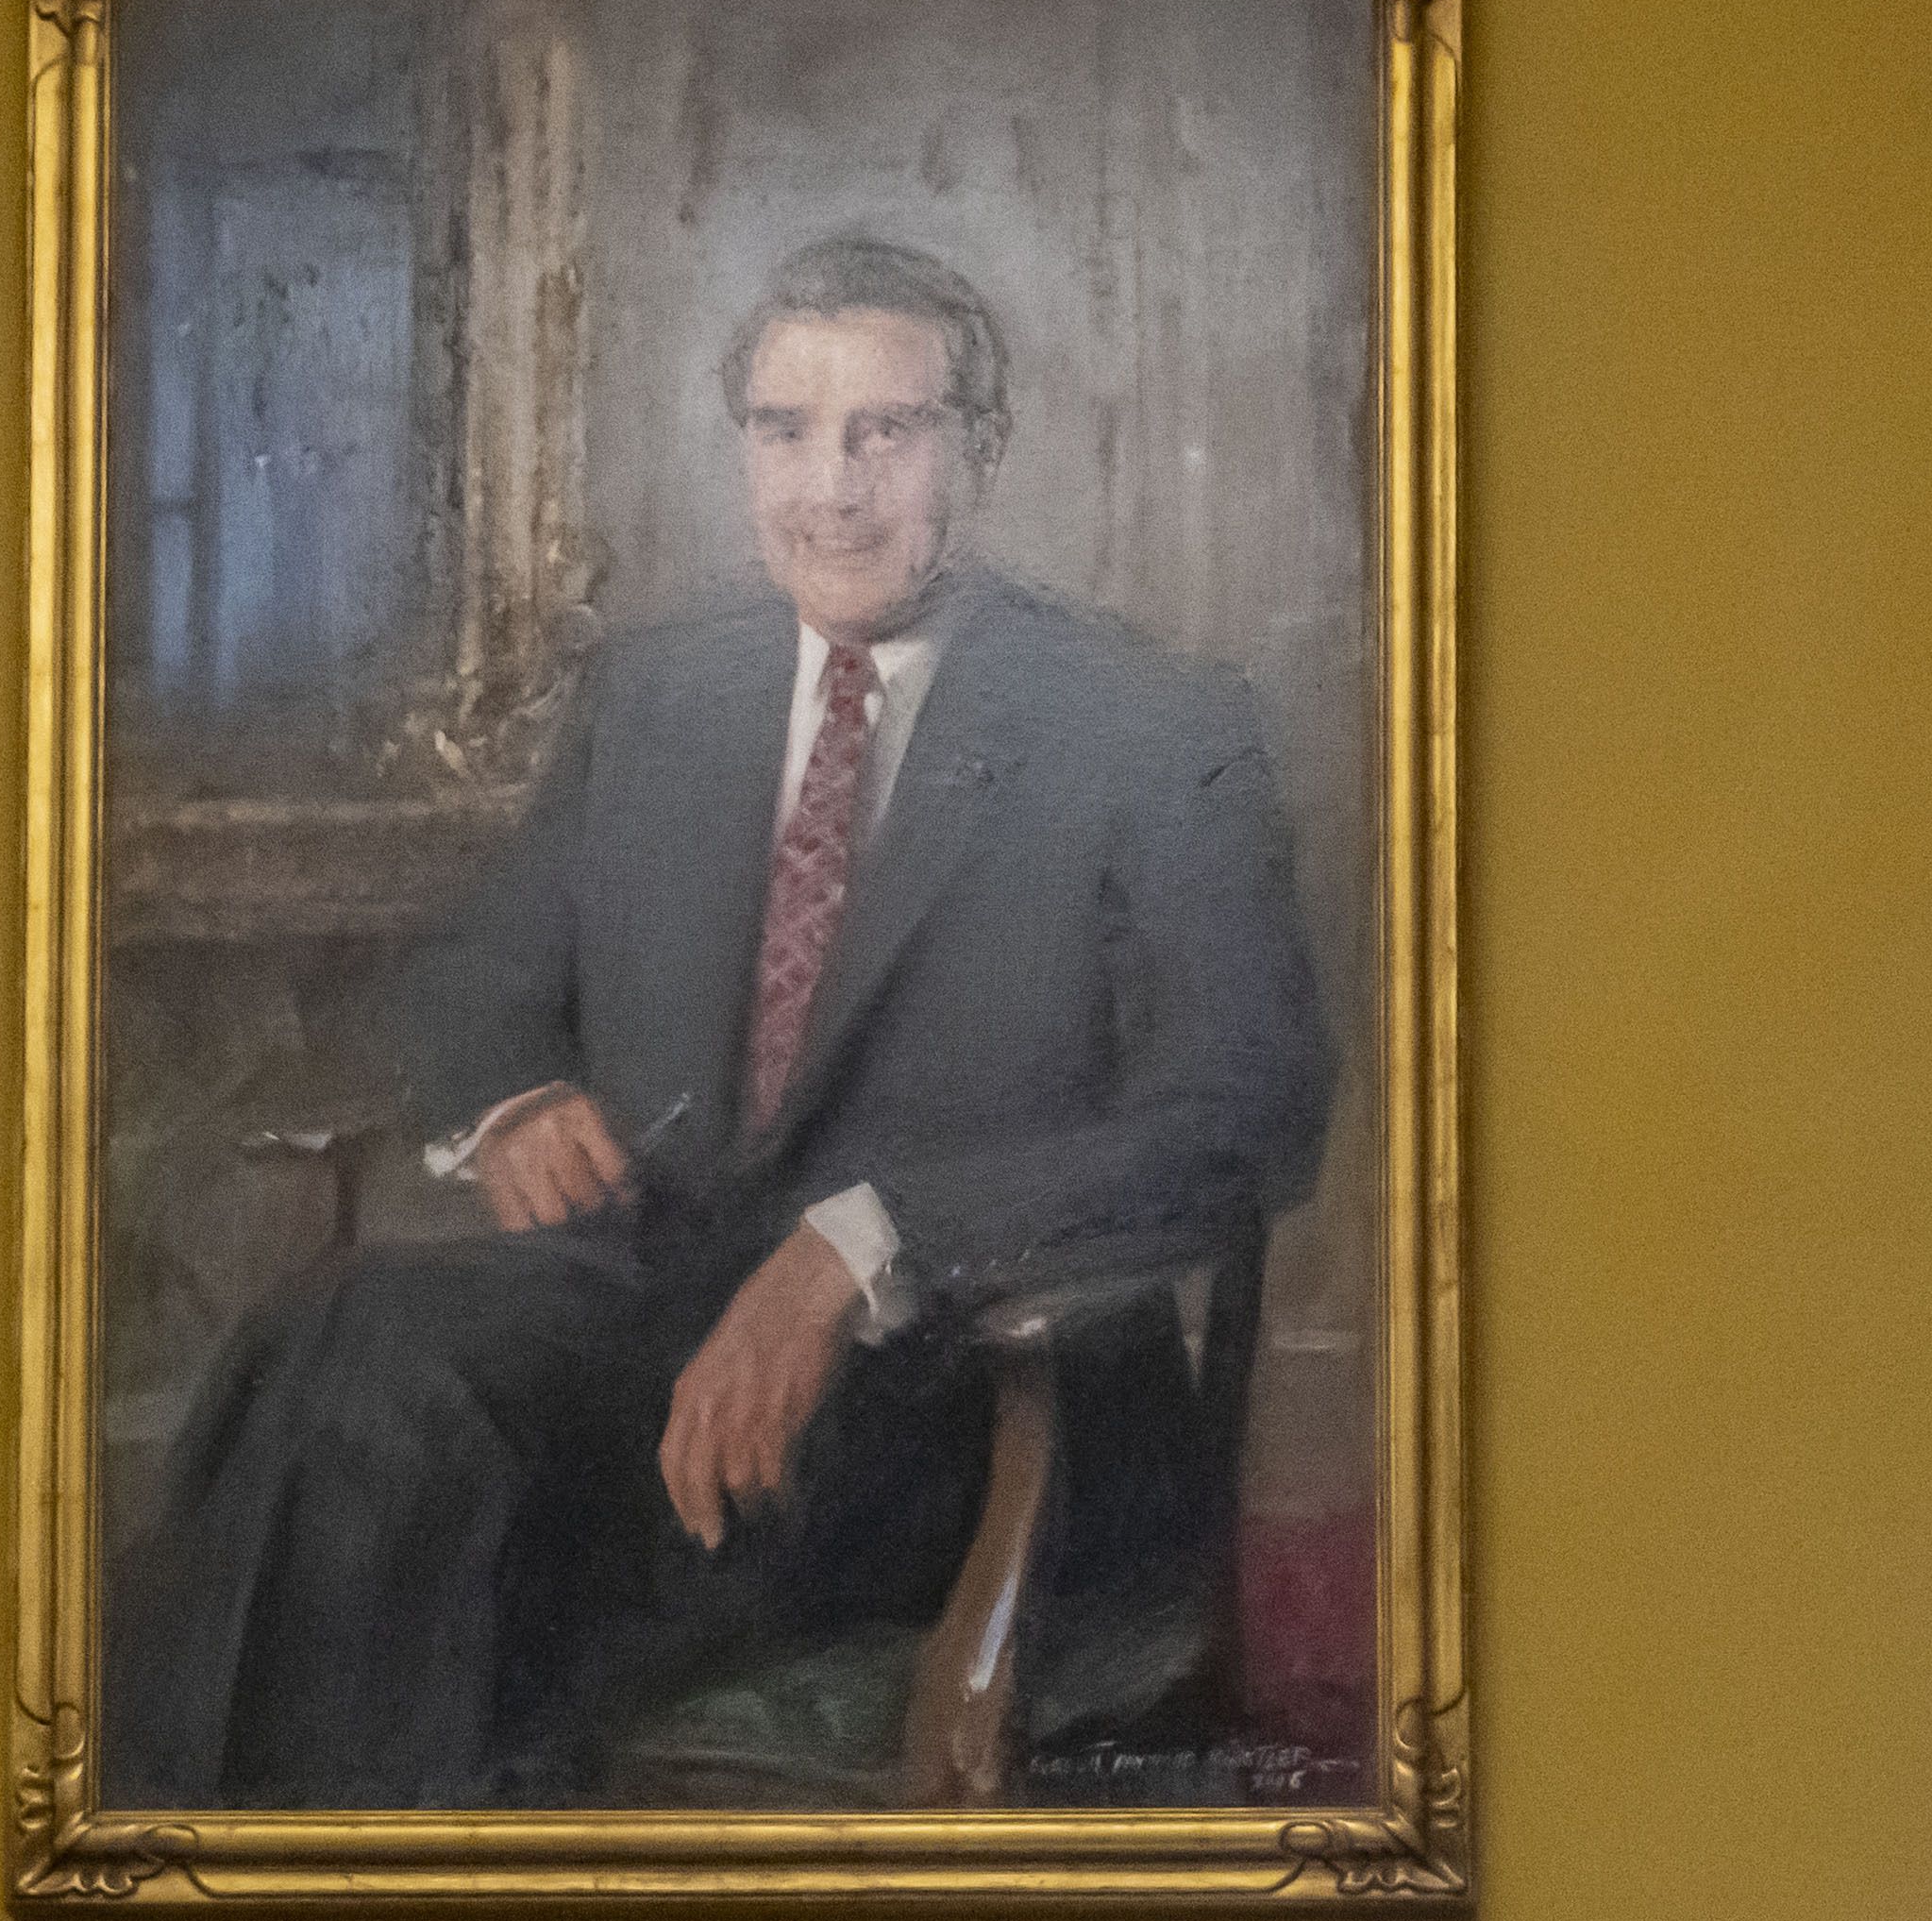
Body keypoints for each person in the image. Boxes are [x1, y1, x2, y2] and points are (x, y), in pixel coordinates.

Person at [99, 227, 1338, 1806]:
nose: (831, 488)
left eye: (885, 431)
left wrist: (859, 1246)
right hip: (651, 1343)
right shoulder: (662, 697)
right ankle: (288, 1882)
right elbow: (472, 983)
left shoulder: (1149, 727)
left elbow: (1247, 1111)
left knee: (388, 1395)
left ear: (986, 446)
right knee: (337, 1354)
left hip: (968, 1403)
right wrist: (513, 1098)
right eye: (786, 432)